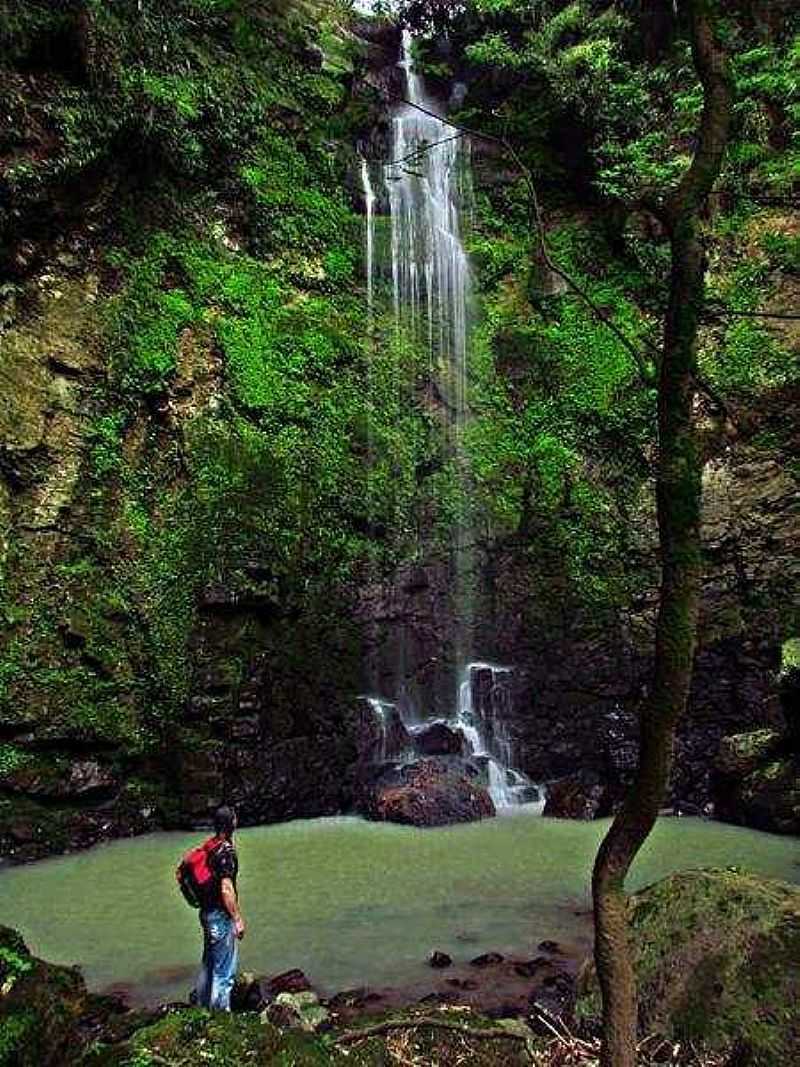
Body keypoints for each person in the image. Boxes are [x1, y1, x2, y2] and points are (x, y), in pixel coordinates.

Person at [194, 805, 246, 1011]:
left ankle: (201, 1008)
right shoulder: (226, 851)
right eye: (234, 819)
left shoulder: (210, 846)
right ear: (230, 823)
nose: (236, 821)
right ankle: (220, 1019)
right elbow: (226, 887)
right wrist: (237, 918)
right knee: (224, 972)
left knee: (209, 964)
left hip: (206, 913)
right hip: (220, 916)